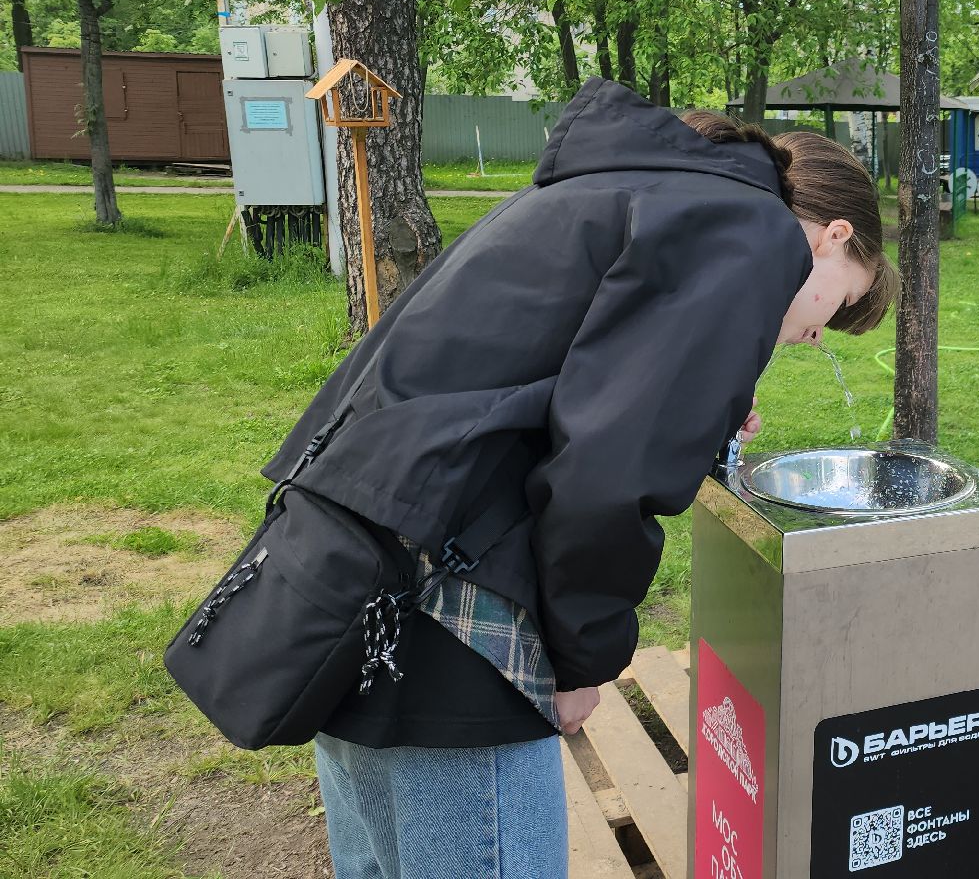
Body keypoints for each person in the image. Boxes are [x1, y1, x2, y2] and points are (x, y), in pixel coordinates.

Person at [260, 79, 897, 878]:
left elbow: (552, 378)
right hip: (452, 613)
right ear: (831, 238)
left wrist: (694, 406)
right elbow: (607, 477)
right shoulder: (752, 232)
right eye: (836, 306)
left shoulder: (634, 186)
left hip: (348, 566)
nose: (813, 335)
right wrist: (580, 663)